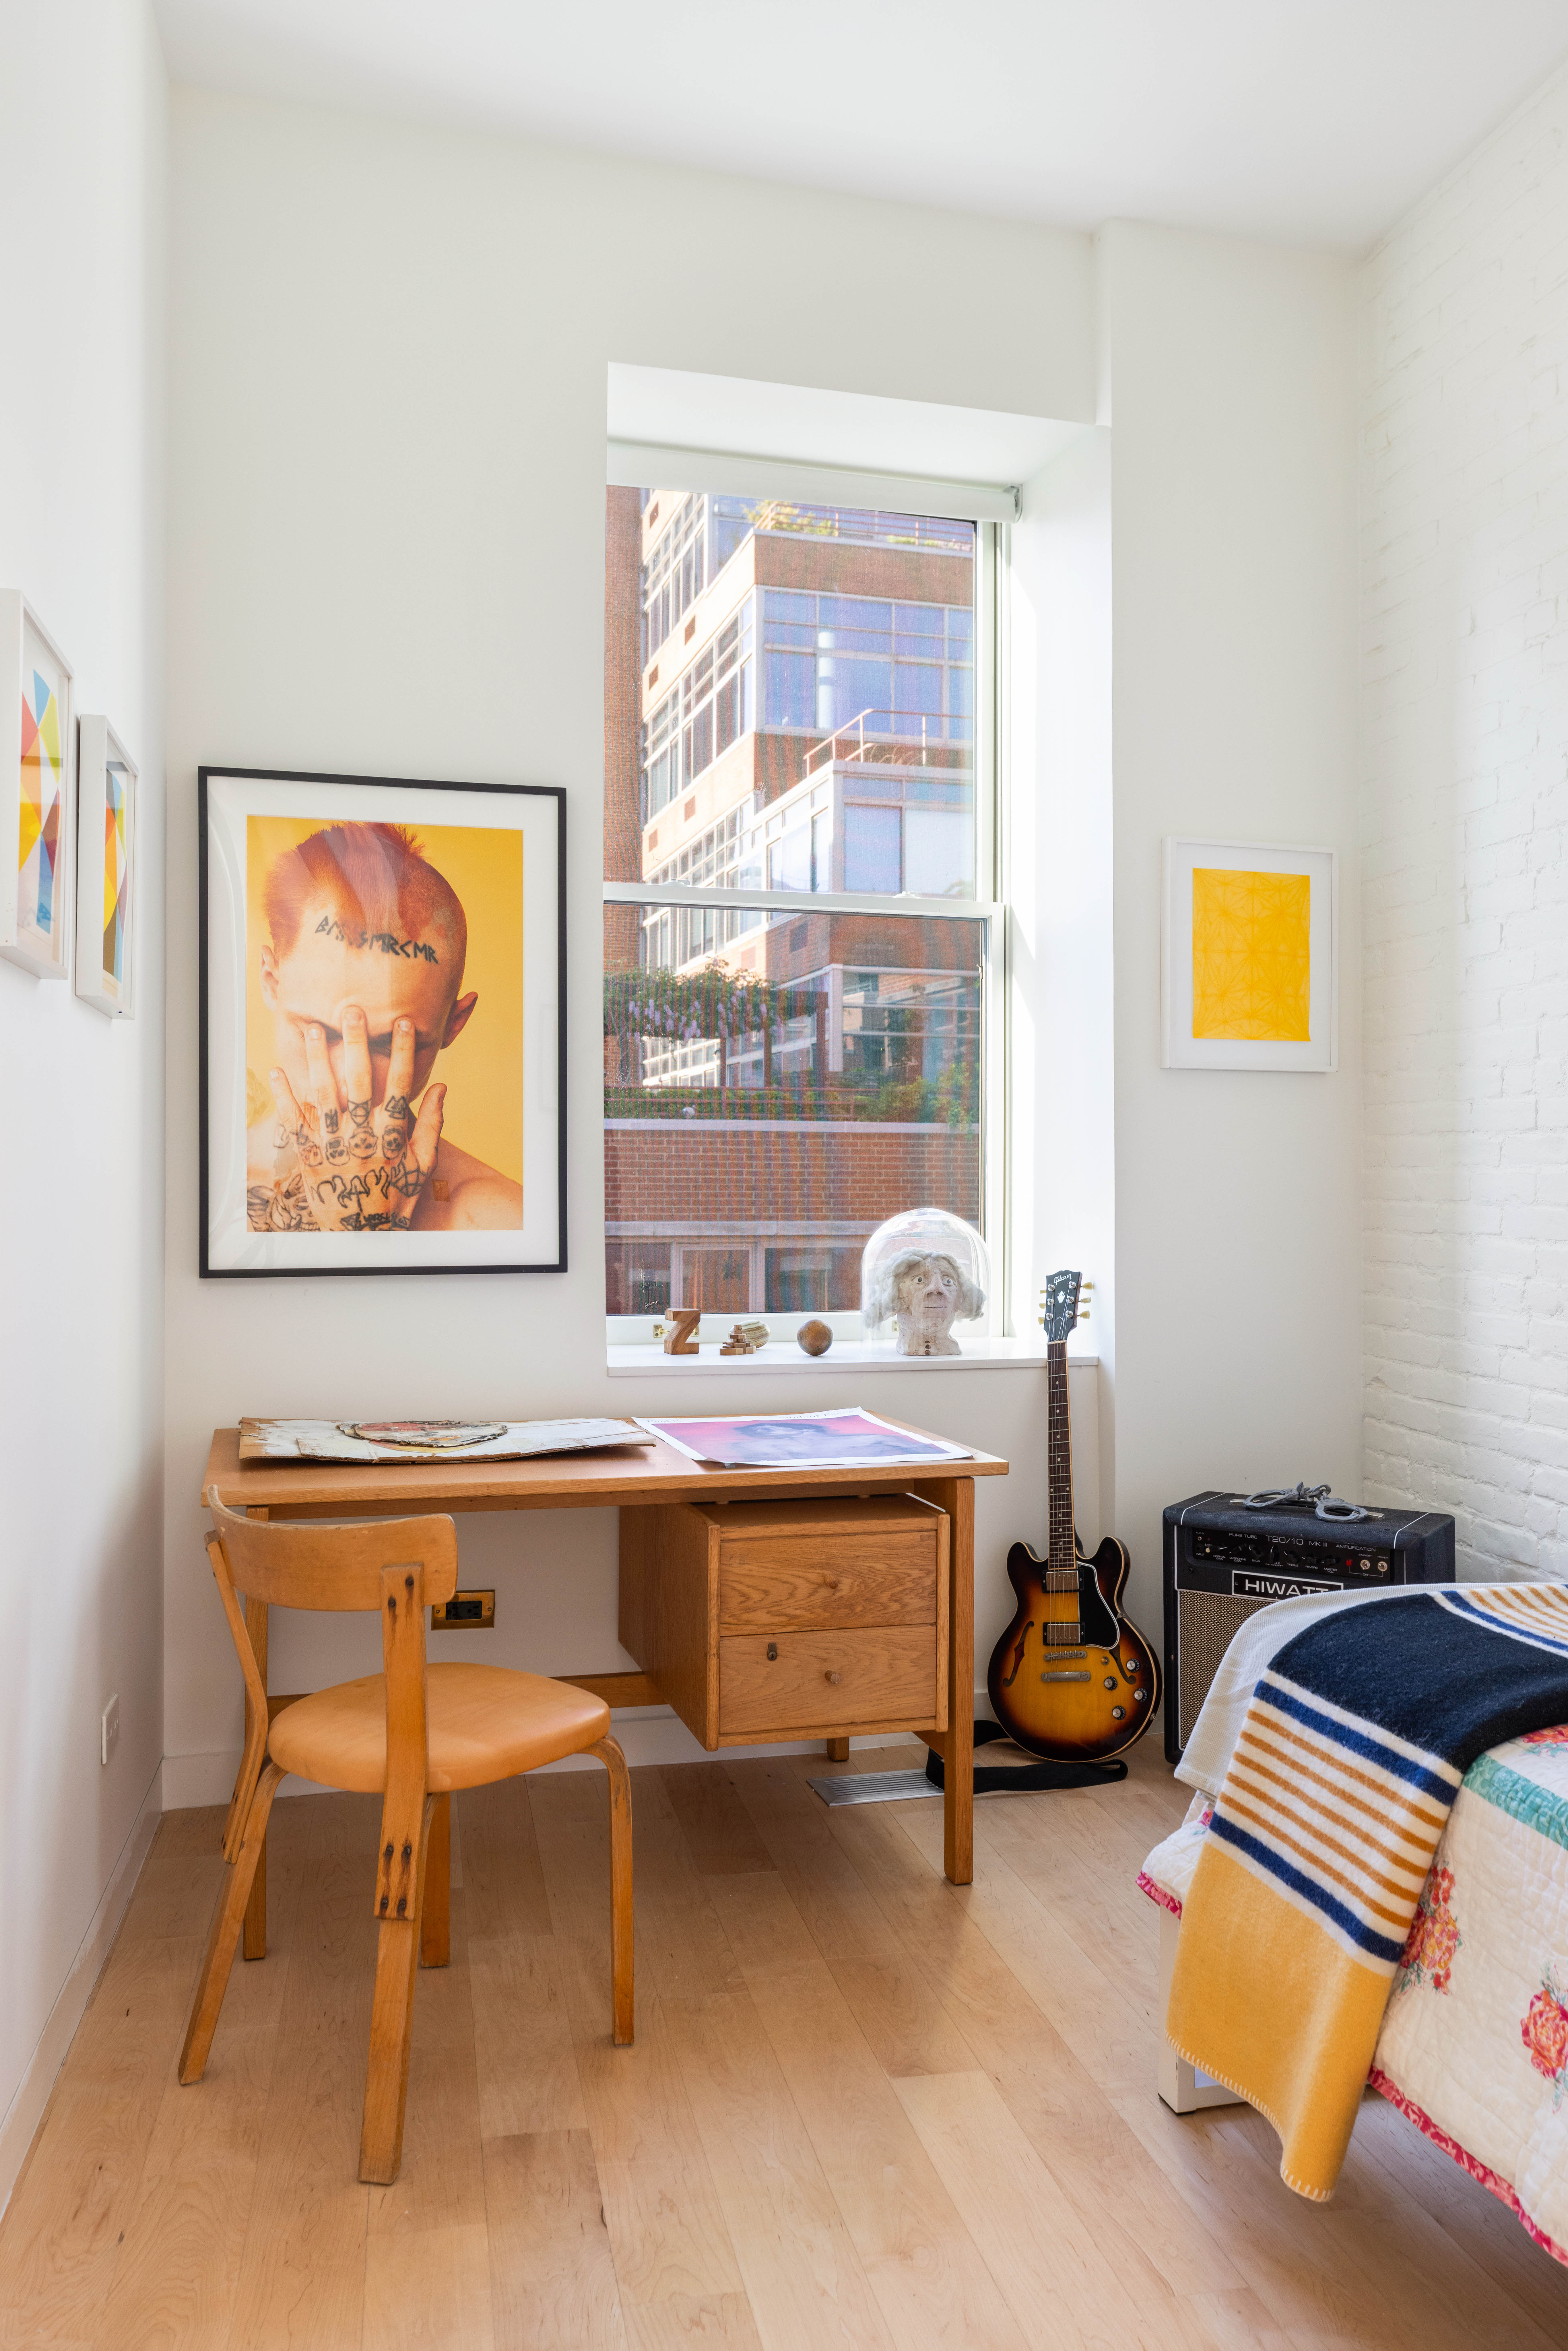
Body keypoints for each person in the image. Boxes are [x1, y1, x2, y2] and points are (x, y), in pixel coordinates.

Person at [246, 820, 523, 1232]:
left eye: (392, 1045)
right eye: (317, 1033)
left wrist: (366, 1234)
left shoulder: (500, 1222)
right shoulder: (196, 1187)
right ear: (271, 983)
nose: (345, 1086)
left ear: (454, 1025)